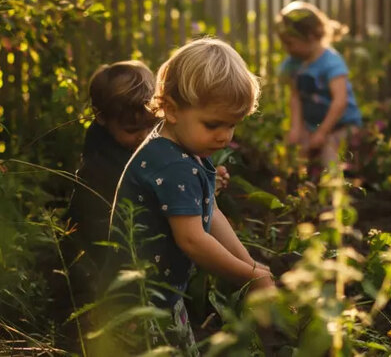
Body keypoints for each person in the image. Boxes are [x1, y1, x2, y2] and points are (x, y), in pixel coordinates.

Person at [110, 37, 273, 355]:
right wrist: (249, 277)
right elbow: (193, 240)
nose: (225, 136)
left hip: (163, 295)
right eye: (213, 124)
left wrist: (250, 264)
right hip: (141, 304)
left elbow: (209, 213)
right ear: (171, 109)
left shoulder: (183, 147)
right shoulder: (173, 165)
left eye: (232, 125)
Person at [67, 60, 157, 295]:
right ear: (101, 117)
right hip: (108, 258)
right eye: (131, 129)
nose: (144, 136)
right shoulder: (99, 166)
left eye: (151, 126)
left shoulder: (146, 147)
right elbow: (95, 233)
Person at [276, 1, 362, 180]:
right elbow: (296, 97)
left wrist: (322, 133)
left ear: (311, 36)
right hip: (314, 126)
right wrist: (296, 128)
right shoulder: (293, 63)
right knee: (302, 150)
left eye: (290, 43)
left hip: (342, 125)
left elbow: (340, 101)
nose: (287, 49)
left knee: (328, 148)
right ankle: (306, 190)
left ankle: (334, 194)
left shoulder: (331, 62)